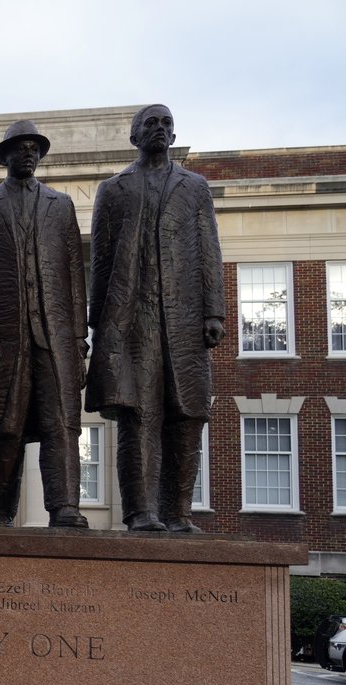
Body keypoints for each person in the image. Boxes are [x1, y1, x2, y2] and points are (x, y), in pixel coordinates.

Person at [86, 104, 226, 532]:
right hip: (133, 321)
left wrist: (213, 310)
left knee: (187, 415)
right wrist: (98, 321)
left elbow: (209, 249)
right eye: (151, 123)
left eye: (167, 123)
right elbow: (101, 259)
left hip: (185, 320)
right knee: (139, 415)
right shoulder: (114, 189)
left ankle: (178, 512)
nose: (160, 129)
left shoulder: (195, 187)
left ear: (174, 135)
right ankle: (141, 512)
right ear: (134, 137)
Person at [0, 119, 90, 529]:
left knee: (61, 423)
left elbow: (74, 275)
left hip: (56, 338)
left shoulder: (61, 205)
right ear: (5, 155)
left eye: (35, 147)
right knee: (3, 426)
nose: (29, 153)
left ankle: (64, 506)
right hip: (4, 338)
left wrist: (79, 338)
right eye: (21, 147)